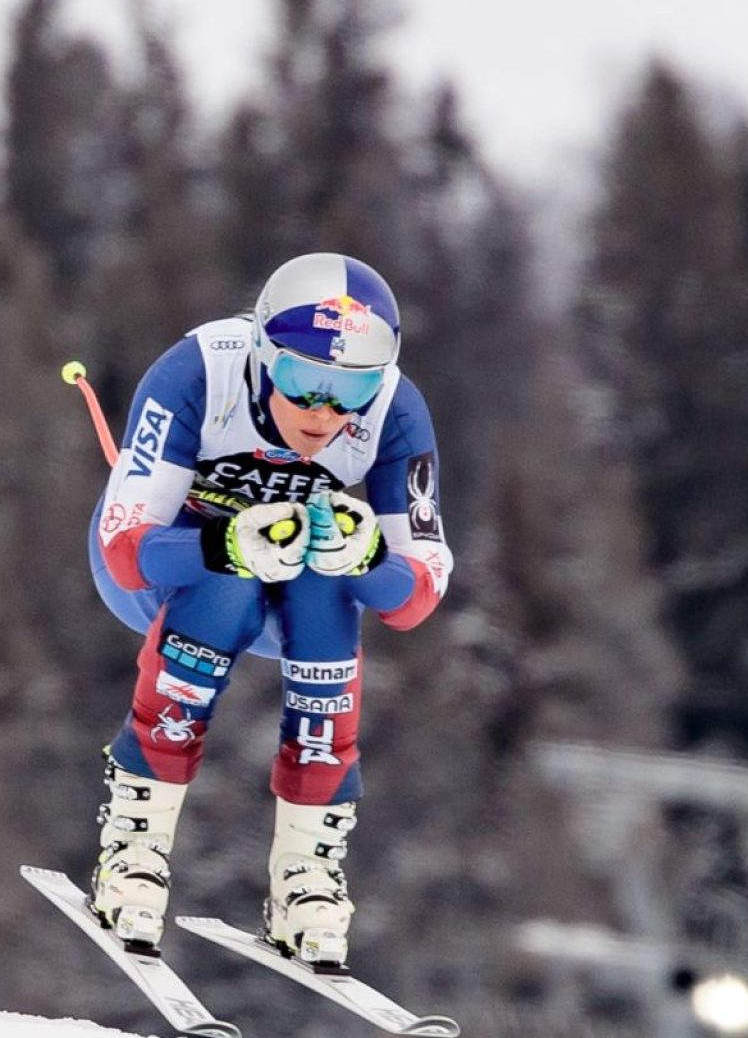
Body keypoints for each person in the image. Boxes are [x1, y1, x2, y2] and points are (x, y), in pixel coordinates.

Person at [85, 253, 453, 970]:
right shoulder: (198, 372)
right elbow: (125, 549)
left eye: (353, 389)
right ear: (260, 353)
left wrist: (369, 557)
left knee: (327, 582)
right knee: (228, 588)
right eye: (303, 381)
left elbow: (419, 596)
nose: (324, 413)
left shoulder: (396, 412)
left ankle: (305, 875)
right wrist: (223, 543)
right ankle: (134, 848)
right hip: (167, 577)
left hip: (292, 594)